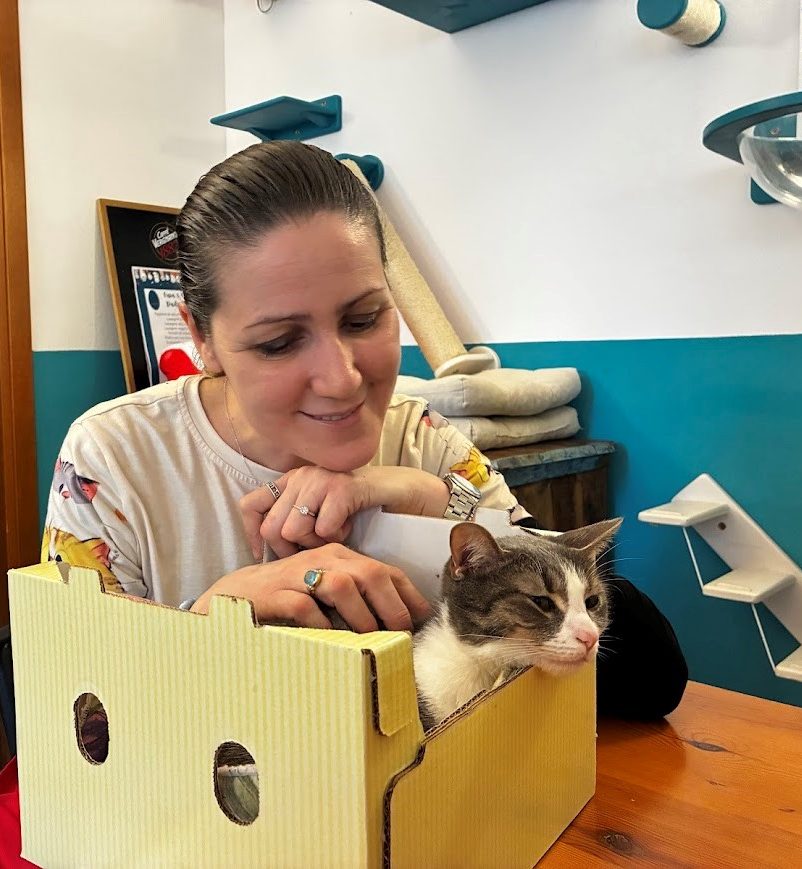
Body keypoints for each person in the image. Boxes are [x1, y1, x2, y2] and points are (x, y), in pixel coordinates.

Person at [41, 140, 687, 718]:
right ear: (202, 339)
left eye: (363, 318)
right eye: (279, 342)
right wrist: (209, 617)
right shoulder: (115, 458)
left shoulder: (426, 440)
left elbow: (654, 680)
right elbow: (66, 713)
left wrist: (425, 499)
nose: (343, 378)